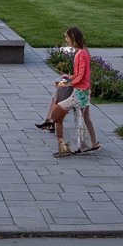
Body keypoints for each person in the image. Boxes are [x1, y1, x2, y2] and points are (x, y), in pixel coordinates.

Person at [46, 26, 100, 157]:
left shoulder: (81, 53)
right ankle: (91, 143)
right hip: (83, 91)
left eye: (66, 37)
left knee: (57, 113)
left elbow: (81, 75)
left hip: (80, 93)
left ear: (73, 37)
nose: (65, 39)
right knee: (85, 118)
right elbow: (81, 74)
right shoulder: (83, 52)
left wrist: (67, 83)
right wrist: (68, 78)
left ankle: (63, 145)